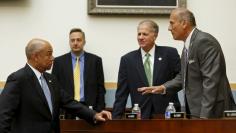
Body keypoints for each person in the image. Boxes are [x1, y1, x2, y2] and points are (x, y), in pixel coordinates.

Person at [138, 8, 236, 118]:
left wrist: (203, 119)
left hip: (211, 115)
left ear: (184, 23)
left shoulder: (204, 42)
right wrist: (162, 88)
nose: (169, 28)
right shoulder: (188, 45)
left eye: (172, 23)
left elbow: (211, 83)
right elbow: (184, 76)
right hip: (196, 113)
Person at [0, 38, 111, 133]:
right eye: (49, 54)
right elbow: (3, 116)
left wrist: (94, 115)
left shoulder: (51, 79)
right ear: (35, 57)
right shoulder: (18, 79)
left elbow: (69, 102)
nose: (53, 58)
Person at [112, 20, 181, 119]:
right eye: (139, 34)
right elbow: (121, 94)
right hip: (140, 115)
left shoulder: (170, 54)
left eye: (145, 34)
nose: (140, 37)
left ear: (155, 35)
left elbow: (181, 79)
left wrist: (164, 88)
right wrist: (115, 120)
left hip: (167, 113)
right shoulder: (127, 60)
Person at [52, 28, 106, 119]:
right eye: (72, 40)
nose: (75, 43)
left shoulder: (95, 60)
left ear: (84, 42)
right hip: (67, 109)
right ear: (69, 42)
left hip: (90, 109)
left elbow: (100, 88)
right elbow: (54, 88)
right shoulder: (59, 62)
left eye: (79, 40)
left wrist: (99, 109)